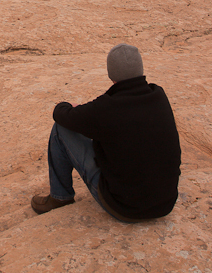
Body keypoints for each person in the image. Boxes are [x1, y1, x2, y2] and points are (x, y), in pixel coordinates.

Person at [31, 43, 181, 222]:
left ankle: (59, 197)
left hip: (125, 208)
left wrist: (71, 107)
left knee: (61, 130)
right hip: (165, 204)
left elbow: (60, 114)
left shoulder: (107, 107)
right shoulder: (158, 95)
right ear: (140, 69)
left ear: (111, 74)